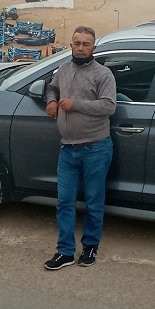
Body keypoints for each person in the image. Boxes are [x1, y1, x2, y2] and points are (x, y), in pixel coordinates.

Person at [43, 26, 116, 271]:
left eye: (86, 44)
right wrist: (52, 101)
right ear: (71, 45)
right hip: (67, 150)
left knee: (94, 201)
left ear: (94, 48)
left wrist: (76, 105)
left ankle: (91, 246)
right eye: (77, 43)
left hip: (96, 147)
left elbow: (108, 106)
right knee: (64, 202)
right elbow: (52, 86)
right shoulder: (63, 70)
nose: (81, 47)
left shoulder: (103, 74)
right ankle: (65, 252)